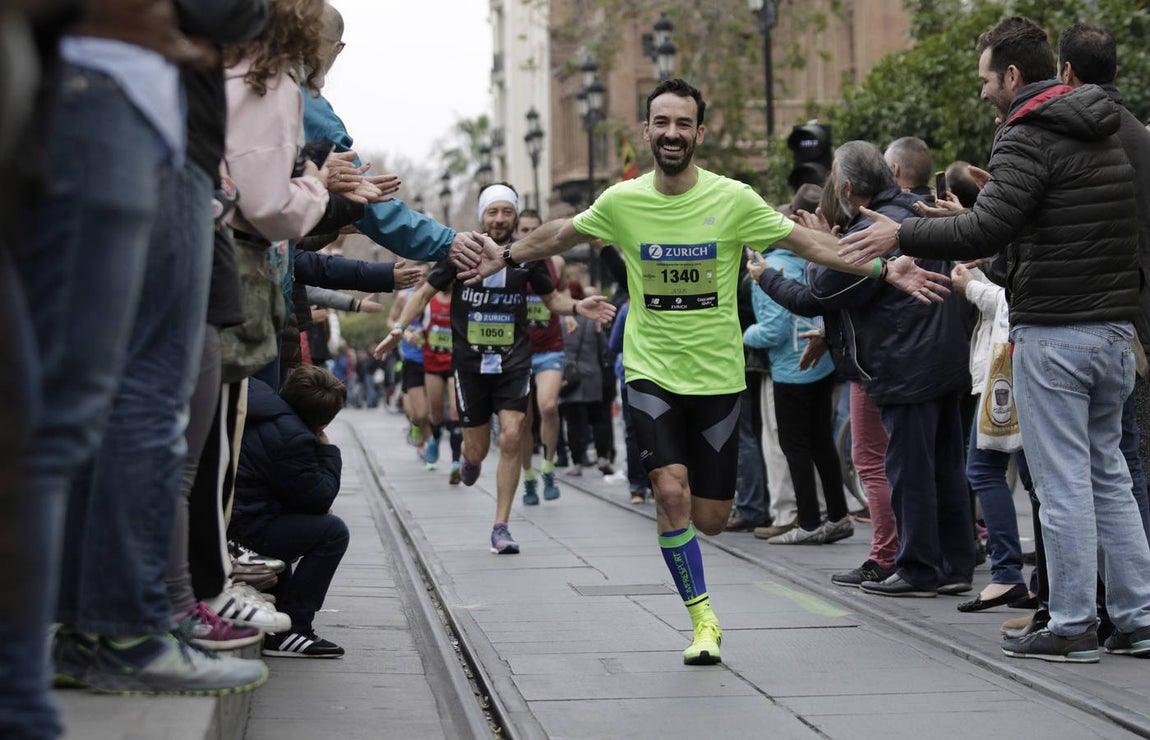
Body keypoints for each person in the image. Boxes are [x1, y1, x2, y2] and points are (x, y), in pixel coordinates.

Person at [467, 78, 951, 665]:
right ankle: (702, 620)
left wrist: (883, 271)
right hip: (650, 370)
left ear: (700, 132)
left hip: (719, 377)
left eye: (683, 124)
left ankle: (696, 537)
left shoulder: (733, 199)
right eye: (661, 123)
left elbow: (808, 244)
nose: (671, 133)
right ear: (647, 131)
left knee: (712, 519)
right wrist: (509, 255)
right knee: (670, 493)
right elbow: (559, 234)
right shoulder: (622, 202)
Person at [839, 16, 1150, 662]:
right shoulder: (1106, 129)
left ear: (1012, 76)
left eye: (985, 79)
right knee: (1110, 475)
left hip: (1059, 335)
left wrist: (903, 235)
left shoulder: (1025, 133)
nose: (982, 92)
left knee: (1063, 481)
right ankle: (1138, 616)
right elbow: (1048, 227)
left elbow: (988, 232)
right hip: (1114, 332)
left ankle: (1070, 623)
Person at [375, 184, 615, 554]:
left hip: (513, 361)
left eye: (507, 212)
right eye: (493, 212)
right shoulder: (462, 252)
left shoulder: (528, 258)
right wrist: (398, 329)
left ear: (515, 216)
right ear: (481, 216)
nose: (500, 219)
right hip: (470, 365)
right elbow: (423, 293)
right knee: (476, 451)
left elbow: (551, 298)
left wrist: (577, 307)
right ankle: (470, 463)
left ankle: (501, 525)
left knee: (513, 436)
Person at [1058, 22, 1150, 545]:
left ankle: (1103, 605)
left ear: (1066, 71)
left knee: (1104, 469)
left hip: (1104, 319)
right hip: (1134, 319)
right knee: (1125, 467)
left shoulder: (1079, 138)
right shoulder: (1139, 134)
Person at [231, 365, 350, 658]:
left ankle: (283, 617)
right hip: (243, 527)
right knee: (332, 532)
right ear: (323, 422)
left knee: (291, 514)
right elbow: (319, 498)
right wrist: (326, 449)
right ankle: (294, 630)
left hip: (231, 514)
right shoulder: (293, 437)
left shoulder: (257, 397)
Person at [517, 208, 567, 504]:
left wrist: (574, 311)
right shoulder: (508, 262)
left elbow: (560, 296)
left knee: (548, 406)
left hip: (550, 346)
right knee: (522, 421)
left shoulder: (556, 262)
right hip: (519, 350)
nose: (530, 234)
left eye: (535, 229)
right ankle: (528, 477)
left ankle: (548, 467)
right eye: (524, 229)